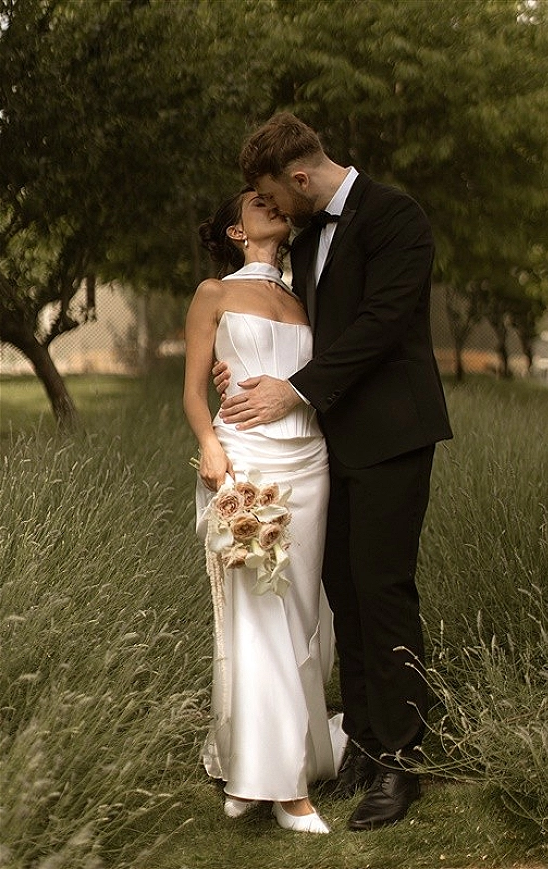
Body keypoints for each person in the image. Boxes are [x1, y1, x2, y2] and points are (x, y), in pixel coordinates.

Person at [214, 113, 453, 831]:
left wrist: (298, 388)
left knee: (382, 592)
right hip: (329, 446)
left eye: (273, 197)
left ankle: (403, 762)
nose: (276, 213)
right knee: (343, 595)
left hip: (391, 437)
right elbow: (299, 328)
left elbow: (382, 323)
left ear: (298, 178)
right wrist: (246, 363)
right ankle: (367, 742)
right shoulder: (312, 232)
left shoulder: (395, 215)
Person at [183, 186, 346, 834]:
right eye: (256, 199)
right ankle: (285, 789)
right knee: (257, 612)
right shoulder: (213, 295)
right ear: (234, 231)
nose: (271, 203)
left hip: (310, 462)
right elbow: (196, 392)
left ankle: (249, 758)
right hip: (245, 460)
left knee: (301, 611)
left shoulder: (306, 293)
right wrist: (209, 445)